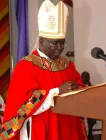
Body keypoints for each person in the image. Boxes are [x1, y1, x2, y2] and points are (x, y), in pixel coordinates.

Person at [0, 1, 87, 140]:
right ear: (41, 41)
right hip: (41, 127)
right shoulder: (27, 66)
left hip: (67, 126)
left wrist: (78, 88)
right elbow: (23, 105)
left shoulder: (67, 65)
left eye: (62, 42)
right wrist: (57, 91)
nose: (60, 47)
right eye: (55, 43)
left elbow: (79, 86)